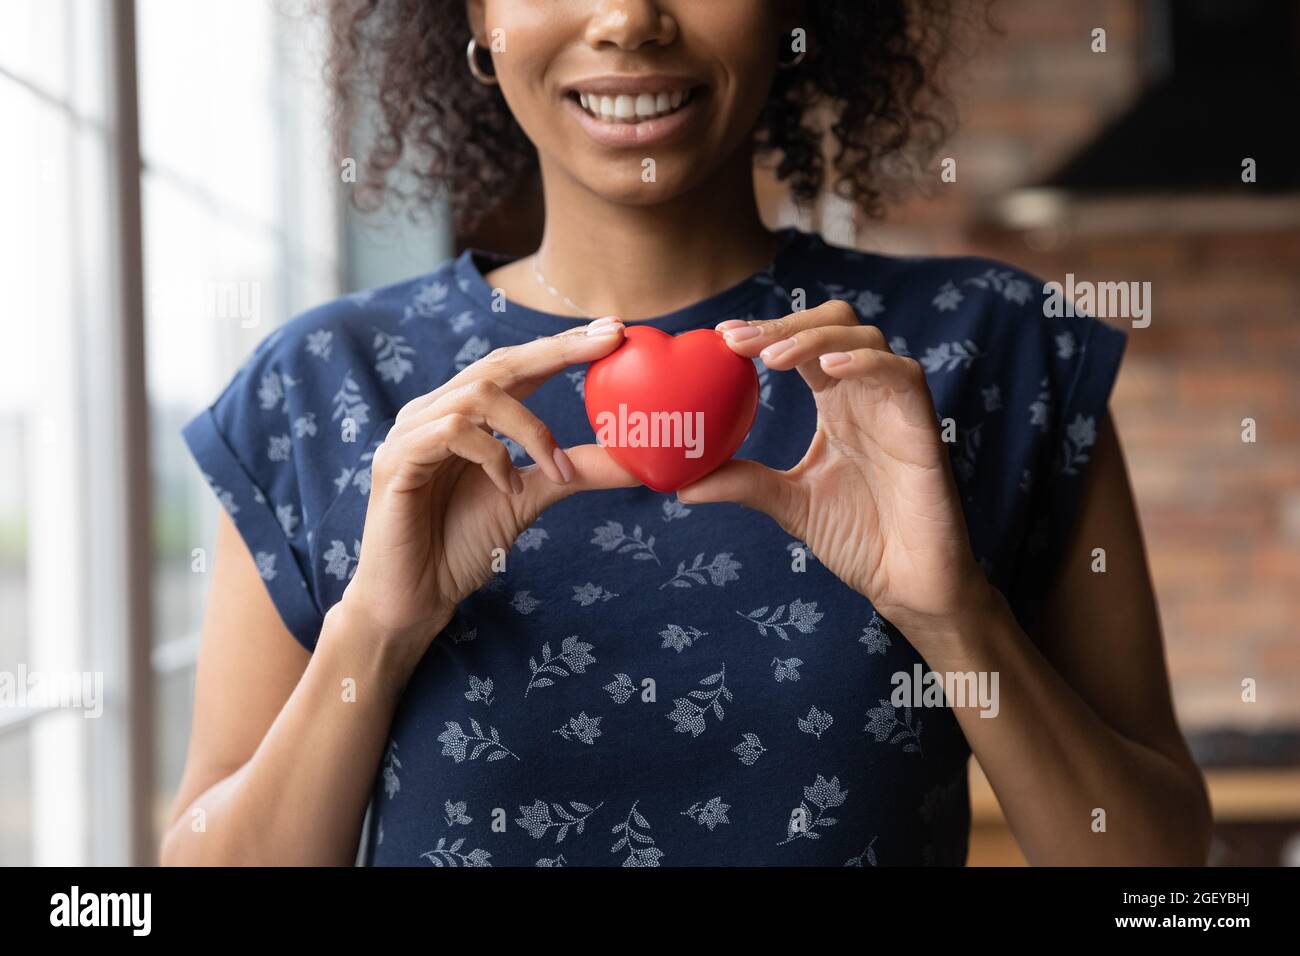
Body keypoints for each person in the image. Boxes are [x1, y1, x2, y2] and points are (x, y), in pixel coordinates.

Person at [161, 0, 1210, 866]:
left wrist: (953, 618)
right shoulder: (320, 386)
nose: (627, 20)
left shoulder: (988, 352)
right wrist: (375, 631)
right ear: (476, 16)